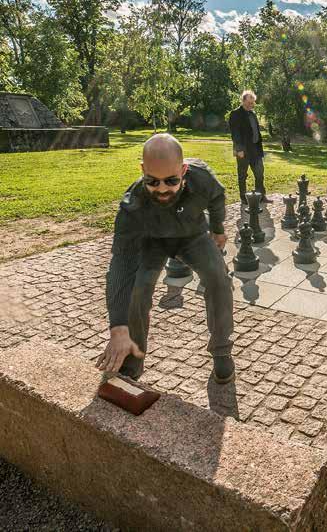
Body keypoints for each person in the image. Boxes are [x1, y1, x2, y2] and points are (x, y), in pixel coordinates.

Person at [97, 133, 236, 384]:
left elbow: (217, 198)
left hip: (192, 236)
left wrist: (217, 229)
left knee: (219, 279)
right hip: (151, 242)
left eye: (171, 181)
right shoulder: (131, 207)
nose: (162, 189)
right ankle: (133, 358)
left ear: (184, 171)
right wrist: (118, 326)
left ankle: (221, 349)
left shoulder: (202, 177)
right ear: (142, 170)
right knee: (137, 288)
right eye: (152, 181)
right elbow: (120, 267)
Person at [229, 90, 270, 205]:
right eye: (248, 103)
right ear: (243, 101)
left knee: (259, 173)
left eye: (252, 103)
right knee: (242, 175)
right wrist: (239, 149)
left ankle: (261, 196)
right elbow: (235, 133)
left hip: (256, 150)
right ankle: (244, 198)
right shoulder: (235, 114)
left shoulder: (252, 114)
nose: (251, 105)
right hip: (243, 150)